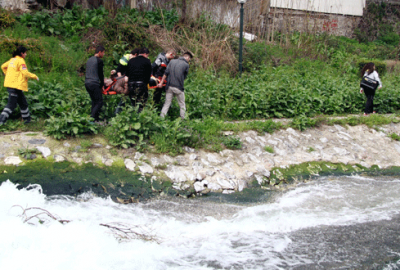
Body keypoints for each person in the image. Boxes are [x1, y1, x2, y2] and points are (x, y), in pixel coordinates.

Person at [0, 46, 39, 126]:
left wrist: (8, 74)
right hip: (14, 86)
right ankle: (1, 121)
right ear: (22, 53)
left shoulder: (12, 60)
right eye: (25, 53)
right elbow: (25, 72)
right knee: (11, 105)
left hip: (13, 85)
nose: (26, 54)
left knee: (23, 103)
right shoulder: (21, 61)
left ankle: (27, 121)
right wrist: (35, 76)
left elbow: (3, 66)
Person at [158, 51, 193, 119]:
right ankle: (183, 119)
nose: (189, 60)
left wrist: (161, 83)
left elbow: (166, 73)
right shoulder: (186, 65)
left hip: (169, 86)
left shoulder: (172, 61)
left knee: (167, 104)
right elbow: (184, 77)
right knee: (182, 104)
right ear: (187, 57)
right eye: (189, 59)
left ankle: (161, 118)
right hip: (178, 87)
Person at [114, 48, 139, 114]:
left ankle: (118, 113)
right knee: (127, 96)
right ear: (135, 55)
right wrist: (121, 80)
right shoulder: (125, 59)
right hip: (123, 80)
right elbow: (118, 70)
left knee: (127, 97)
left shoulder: (131, 59)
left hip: (128, 80)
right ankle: (135, 113)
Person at [126, 47, 152, 113]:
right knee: (141, 103)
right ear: (145, 54)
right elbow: (148, 75)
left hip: (131, 85)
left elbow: (127, 75)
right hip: (141, 84)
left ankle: (133, 116)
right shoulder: (147, 61)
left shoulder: (131, 61)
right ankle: (139, 117)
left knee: (133, 103)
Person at [85, 45, 105, 122]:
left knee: (94, 101)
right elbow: (101, 74)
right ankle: (91, 119)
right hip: (94, 83)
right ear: (99, 52)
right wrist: (102, 85)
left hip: (87, 83)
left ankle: (95, 120)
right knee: (100, 101)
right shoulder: (99, 61)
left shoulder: (89, 60)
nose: (103, 54)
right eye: (103, 53)